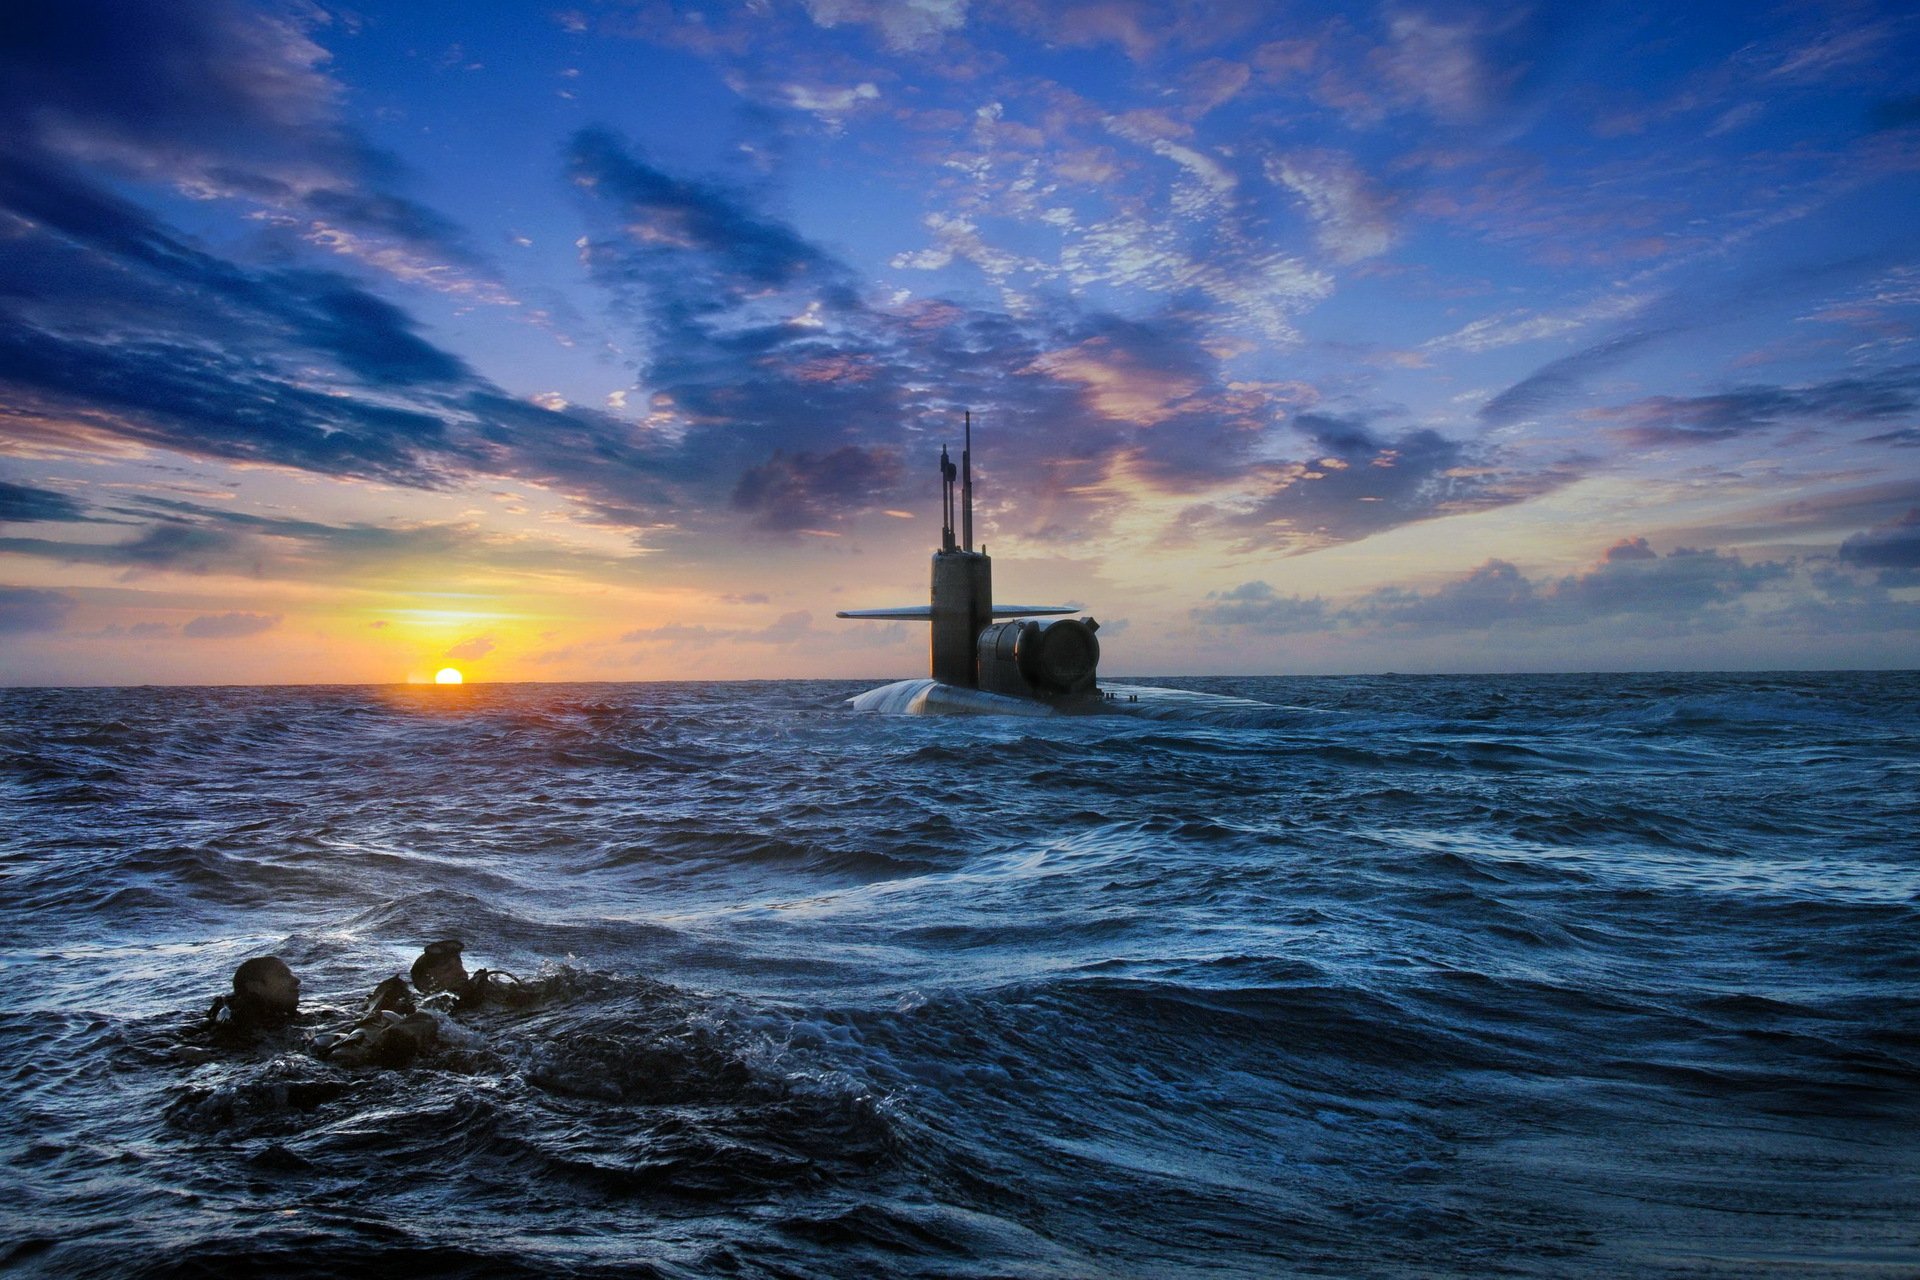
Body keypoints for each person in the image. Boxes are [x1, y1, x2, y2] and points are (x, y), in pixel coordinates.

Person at [205, 956, 300, 1032]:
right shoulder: (240, 1029)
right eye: (282, 975)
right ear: (256, 987)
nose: (297, 980)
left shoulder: (279, 1018)